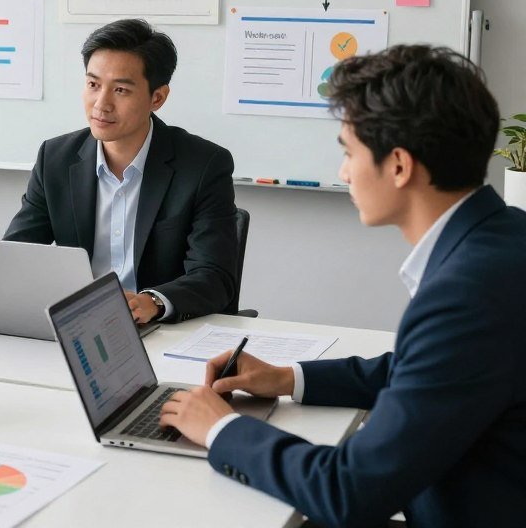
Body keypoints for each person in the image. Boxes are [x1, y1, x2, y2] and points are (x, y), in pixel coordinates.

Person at [158, 44, 526, 528]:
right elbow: (424, 370)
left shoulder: (467, 294)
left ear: (399, 165)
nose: (343, 171)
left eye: (350, 153)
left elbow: (347, 490)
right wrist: (288, 378)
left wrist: (221, 429)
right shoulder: (505, 235)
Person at [4, 18, 238, 323]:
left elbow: (215, 276)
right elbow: (16, 254)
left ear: (157, 98)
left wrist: (151, 302)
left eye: (121, 90)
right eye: (93, 85)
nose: (101, 104)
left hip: (160, 328)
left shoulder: (203, 165)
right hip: (78, 325)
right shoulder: (56, 159)